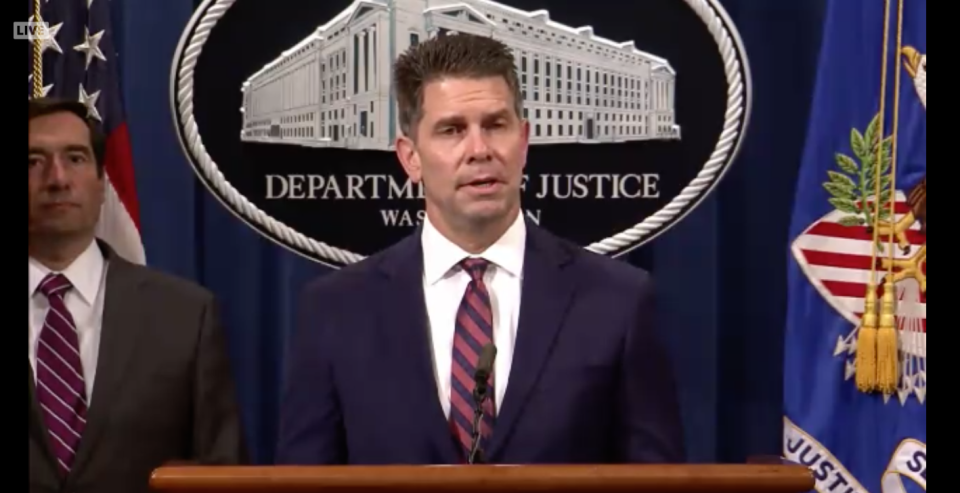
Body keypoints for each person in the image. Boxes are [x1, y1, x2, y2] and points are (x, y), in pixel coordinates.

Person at [276, 33, 685, 465]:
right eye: (452, 130)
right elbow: (305, 479)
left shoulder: (617, 301)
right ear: (410, 158)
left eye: (495, 125)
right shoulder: (336, 310)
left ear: (524, 141)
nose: (480, 150)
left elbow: (655, 478)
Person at [28, 97, 247, 493]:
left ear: (101, 183)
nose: (57, 178)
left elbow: (221, 474)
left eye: (75, 159)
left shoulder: (185, 316)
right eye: (33, 162)